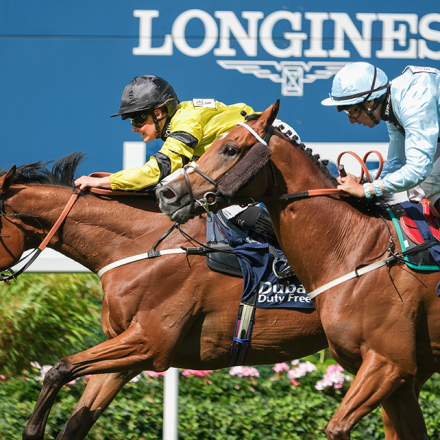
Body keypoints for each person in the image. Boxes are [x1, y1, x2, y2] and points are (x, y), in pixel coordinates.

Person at [74, 74, 301, 192]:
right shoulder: (180, 118)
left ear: (159, 113)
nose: (134, 127)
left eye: (138, 119)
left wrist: (103, 182)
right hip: (254, 142)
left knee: (220, 204)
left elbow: (155, 172)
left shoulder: (187, 122)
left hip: (272, 139)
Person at [321, 62, 440, 207]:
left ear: (371, 102)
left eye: (354, 110)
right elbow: (397, 163)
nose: (351, 120)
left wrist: (366, 190)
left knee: (429, 182)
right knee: (422, 187)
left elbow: (417, 170)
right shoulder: (391, 104)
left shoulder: (413, 102)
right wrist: (362, 179)